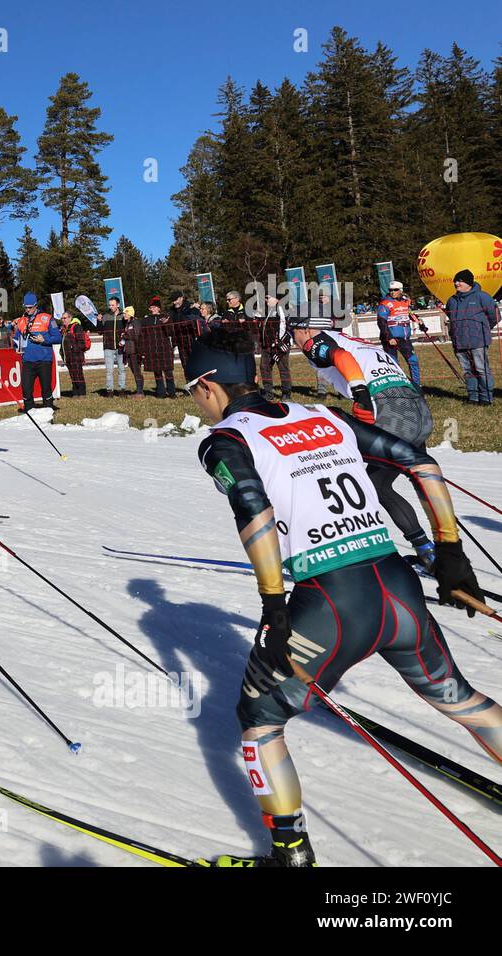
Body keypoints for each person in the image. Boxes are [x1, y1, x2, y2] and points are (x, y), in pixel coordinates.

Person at [185, 326, 498, 867]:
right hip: (397, 589)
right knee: (462, 700)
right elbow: (422, 463)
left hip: (329, 602)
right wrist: (451, 556)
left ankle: (291, 856)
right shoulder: (323, 416)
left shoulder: (226, 441)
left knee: (259, 720)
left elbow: (255, 514)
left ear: (209, 385)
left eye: (194, 390)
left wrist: (274, 605)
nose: (197, 403)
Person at [286, 309, 436, 566]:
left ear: (305, 329)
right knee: (420, 478)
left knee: (376, 486)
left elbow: (341, 357)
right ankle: (446, 549)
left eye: (293, 334)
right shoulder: (355, 341)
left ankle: (427, 551)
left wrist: (361, 394)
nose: (293, 341)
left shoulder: (315, 342)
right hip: (417, 408)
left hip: (392, 411)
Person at [444, 269, 498, 406]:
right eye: (455, 281)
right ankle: (473, 397)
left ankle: (486, 397)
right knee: (468, 371)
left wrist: (483, 329)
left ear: (468, 282)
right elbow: (451, 318)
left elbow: (495, 316)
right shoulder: (452, 300)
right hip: (459, 341)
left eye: (459, 281)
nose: (456, 283)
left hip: (478, 340)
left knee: (481, 369)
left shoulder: (482, 297)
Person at [13, 292, 62, 410]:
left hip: (44, 360)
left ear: (36, 305)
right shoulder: (21, 321)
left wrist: (44, 340)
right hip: (27, 361)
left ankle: (48, 411)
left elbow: (58, 338)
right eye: (26, 307)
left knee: (46, 388)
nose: (28, 309)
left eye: (30, 307)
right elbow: (16, 339)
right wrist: (17, 348)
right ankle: (29, 412)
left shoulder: (48, 318)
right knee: (26, 389)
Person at [376, 280, 420, 387]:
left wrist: (420, 322)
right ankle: (399, 385)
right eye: (390, 290)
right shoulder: (385, 303)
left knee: (413, 361)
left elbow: (410, 314)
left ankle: (416, 386)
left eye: (395, 290)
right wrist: (389, 337)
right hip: (391, 339)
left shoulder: (405, 301)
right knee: (394, 364)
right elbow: (381, 322)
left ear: (401, 290)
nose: (392, 292)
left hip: (404, 338)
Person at [257, 294, 293, 401]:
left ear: (276, 299)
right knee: (264, 367)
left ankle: (286, 393)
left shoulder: (281, 308)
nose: (266, 299)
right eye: (266, 297)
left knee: (283, 368)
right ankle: (268, 392)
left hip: (279, 345)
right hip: (266, 346)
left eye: (268, 297)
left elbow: (284, 326)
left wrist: (279, 343)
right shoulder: (267, 310)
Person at [140, 297, 175, 398]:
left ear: (159, 308)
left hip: (165, 349)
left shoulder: (166, 317)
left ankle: (172, 393)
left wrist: (166, 324)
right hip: (152, 350)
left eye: (155, 307)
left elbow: (170, 333)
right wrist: (143, 350)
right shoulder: (145, 320)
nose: (153, 309)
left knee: (168, 372)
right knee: (157, 373)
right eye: (151, 307)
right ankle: (161, 393)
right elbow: (143, 336)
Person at [99, 297, 128, 396]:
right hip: (108, 347)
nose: (111, 307)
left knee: (121, 369)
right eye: (109, 305)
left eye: (113, 305)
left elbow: (128, 330)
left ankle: (121, 390)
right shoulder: (105, 316)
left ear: (118, 305)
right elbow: (100, 331)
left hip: (120, 347)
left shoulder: (123, 316)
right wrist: (99, 321)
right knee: (109, 370)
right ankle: (109, 390)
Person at [60, 314, 89, 398]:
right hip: (67, 356)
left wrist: (74, 349)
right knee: (72, 375)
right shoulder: (64, 329)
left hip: (76, 355)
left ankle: (82, 393)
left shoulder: (76, 327)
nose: (63, 320)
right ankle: (75, 392)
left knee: (78, 374)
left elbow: (81, 342)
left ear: (70, 318)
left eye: (65, 318)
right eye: (62, 318)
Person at [122, 305, 144, 398]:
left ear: (130, 313)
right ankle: (139, 390)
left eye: (126, 313)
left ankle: (140, 392)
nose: (124, 315)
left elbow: (136, 335)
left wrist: (125, 335)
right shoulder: (128, 323)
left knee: (137, 371)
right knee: (134, 371)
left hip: (135, 351)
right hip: (129, 351)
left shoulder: (136, 322)